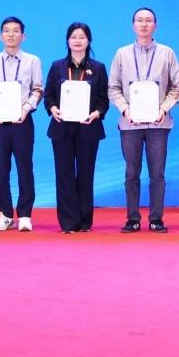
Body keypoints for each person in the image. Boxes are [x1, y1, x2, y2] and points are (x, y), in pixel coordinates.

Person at [106, 7, 179, 233]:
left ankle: (156, 218)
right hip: (130, 124)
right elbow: (113, 88)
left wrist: (164, 109)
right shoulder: (122, 54)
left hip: (159, 124)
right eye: (139, 20)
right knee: (131, 173)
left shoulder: (167, 53)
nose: (144, 24)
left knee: (157, 173)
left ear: (155, 25)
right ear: (133, 25)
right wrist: (125, 110)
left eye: (148, 20)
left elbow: (176, 88)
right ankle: (132, 218)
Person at [0, 16, 45, 232]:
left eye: (16, 31)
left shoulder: (32, 61)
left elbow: (38, 89)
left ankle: (25, 214)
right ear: (0, 36)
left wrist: (25, 110)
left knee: (25, 167)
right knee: (1, 169)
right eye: (7, 31)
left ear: (23, 36)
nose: (11, 35)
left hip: (22, 122)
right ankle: (5, 214)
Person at [44, 22, 110, 233]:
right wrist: (53, 108)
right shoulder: (57, 66)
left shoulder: (98, 68)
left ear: (88, 41)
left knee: (85, 173)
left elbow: (103, 99)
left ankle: (84, 221)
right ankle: (68, 222)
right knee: (63, 174)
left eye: (82, 37)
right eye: (74, 37)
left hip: (88, 127)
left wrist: (96, 113)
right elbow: (48, 95)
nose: (78, 41)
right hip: (61, 128)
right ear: (67, 40)